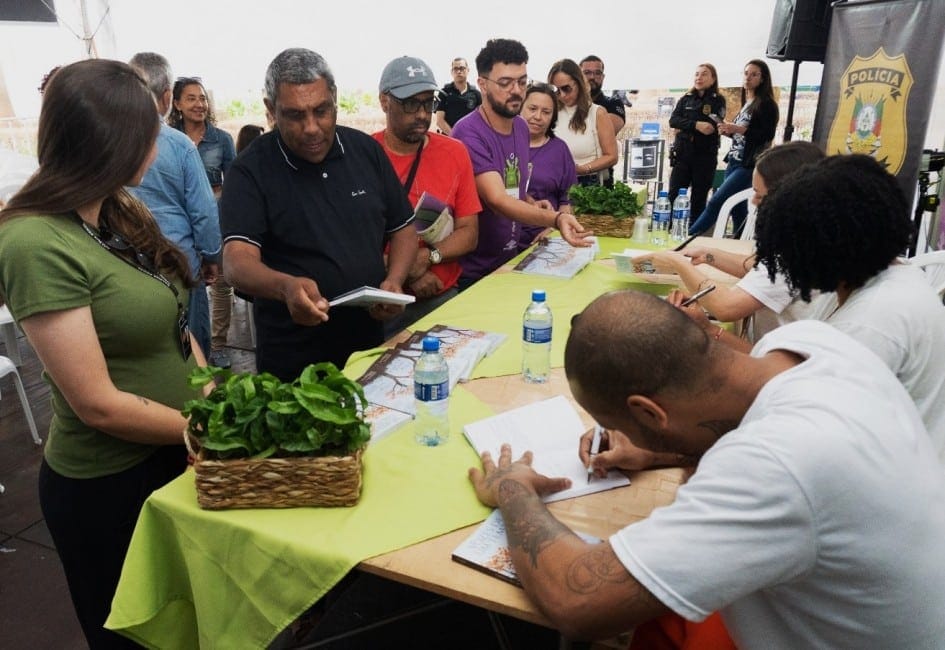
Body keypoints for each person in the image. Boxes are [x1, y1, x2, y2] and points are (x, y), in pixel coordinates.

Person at [468, 289, 945, 647]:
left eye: (622, 426)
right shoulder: (810, 345)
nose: (623, 438)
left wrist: (514, 489)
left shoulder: (774, 464)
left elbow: (578, 602)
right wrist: (657, 453)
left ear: (651, 413)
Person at [0, 59, 204, 649]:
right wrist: (202, 430)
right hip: (108, 487)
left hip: (172, 456)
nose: (158, 146)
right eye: (149, 132)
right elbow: (97, 405)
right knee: (135, 635)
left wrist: (214, 395)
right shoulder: (33, 240)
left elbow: (173, 315)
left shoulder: (115, 211)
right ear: (109, 142)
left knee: (186, 623)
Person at [220, 48, 416, 380]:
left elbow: (404, 229)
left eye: (321, 111)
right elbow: (236, 262)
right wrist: (285, 287)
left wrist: (394, 281)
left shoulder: (365, 151)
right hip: (294, 363)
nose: (312, 128)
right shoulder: (250, 171)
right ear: (271, 111)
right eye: (295, 115)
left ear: (335, 101)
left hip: (367, 349)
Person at [754, 153, 945, 462]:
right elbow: (793, 372)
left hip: (889, 478)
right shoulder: (873, 279)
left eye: (788, 252)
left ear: (819, 249)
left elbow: (803, 433)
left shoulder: (873, 322)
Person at [637, 141, 826, 342]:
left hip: (771, 364)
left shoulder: (792, 255)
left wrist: (676, 262)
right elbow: (758, 268)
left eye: (760, 196)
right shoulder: (809, 238)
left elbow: (725, 307)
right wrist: (708, 255)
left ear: (790, 200)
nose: (753, 201)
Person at [451, 38, 591, 288]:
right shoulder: (468, 132)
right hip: (473, 272)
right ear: (482, 84)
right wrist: (555, 219)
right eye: (505, 83)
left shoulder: (520, 127)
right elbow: (497, 200)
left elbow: (512, 188)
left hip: (510, 261)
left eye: (522, 81)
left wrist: (532, 204)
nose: (516, 90)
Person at [372, 55, 480, 336]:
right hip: (382, 305)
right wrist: (407, 270)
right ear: (385, 101)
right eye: (410, 104)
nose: (422, 114)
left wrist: (430, 257)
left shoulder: (455, 153)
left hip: (442, 298)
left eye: (428, 102)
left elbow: (469, 233)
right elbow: (348, 242)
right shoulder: (364, 155)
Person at [127, 53, 221, 359]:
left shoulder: (109, 140)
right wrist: (210, 256)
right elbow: (204, 210)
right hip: (179, 265)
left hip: (126, 265)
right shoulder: (178, 145)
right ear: (169, 96)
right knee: (192, 354)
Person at [168, 76, 237, 368]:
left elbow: (233, 183)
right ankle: (187, 350)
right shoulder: (169, 139)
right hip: (178, 229)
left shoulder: (221, 139)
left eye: (203, 98)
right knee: (180, 293)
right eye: (192, 98)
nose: (199, 104)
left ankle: (218, 344)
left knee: (221, 285)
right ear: (176, 103)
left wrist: (204, 196)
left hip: (214, 221)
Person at [688, 59, 778, 236]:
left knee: (717, 201)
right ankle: (739, 244)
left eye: (754, 74)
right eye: (746, 73)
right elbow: (744, 135)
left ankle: (689, 237)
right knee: (737, 208)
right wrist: (729, 131)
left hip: (749, 164)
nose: (748, 78)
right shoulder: (748, 102)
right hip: (735, 161)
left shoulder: (766, 104)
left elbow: (765, 135)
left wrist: (738, 129)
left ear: (762, 79)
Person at [518, 81, 577, 246]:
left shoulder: (559, 150)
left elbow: (568, 198)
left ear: (553, 117)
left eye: (546, 112)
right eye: (532, 109)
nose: (538, 117)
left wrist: (554, 228)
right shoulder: (504, 145)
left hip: (543, 240)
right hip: (501, 239)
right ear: (520, 108)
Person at [667, 63, 726, 219]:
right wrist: (695, 125)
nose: (699, 77)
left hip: (704, 156)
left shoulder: (717, 100)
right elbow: (673, 121)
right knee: (673, 195)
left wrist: (686, 125)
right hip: (683, 155)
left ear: (713, 79)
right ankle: (670, 229)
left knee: (698, 199)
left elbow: (710, 127)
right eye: (697, 74)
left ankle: (693, 232)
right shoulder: (686, 99)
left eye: (704, 74)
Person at [547, 58, 618, 188]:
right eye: (556, 90)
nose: (562, 95)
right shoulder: (549, 111)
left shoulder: (597, 113)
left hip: (587, 184)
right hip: (553, 182)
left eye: (566, 89)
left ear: (579, 83)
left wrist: (583, 169)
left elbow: (612, 156)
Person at [579, 55, 625, 187]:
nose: (592, 77)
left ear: (603, 77)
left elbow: (603, 134)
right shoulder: (568, 104)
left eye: (597, 73)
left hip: (600, 178)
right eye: (587, 73)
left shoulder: (613, 103)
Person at [434, 57, 481, 136]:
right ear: (452, 72)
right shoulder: (444, 92)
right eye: (455, 69)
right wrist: (455, 136)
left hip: (470, 139)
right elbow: (440, 121)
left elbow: (481, 120)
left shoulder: (476, 94)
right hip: (449, 139)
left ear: (468, 70)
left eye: (462, 68)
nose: (459, 71)